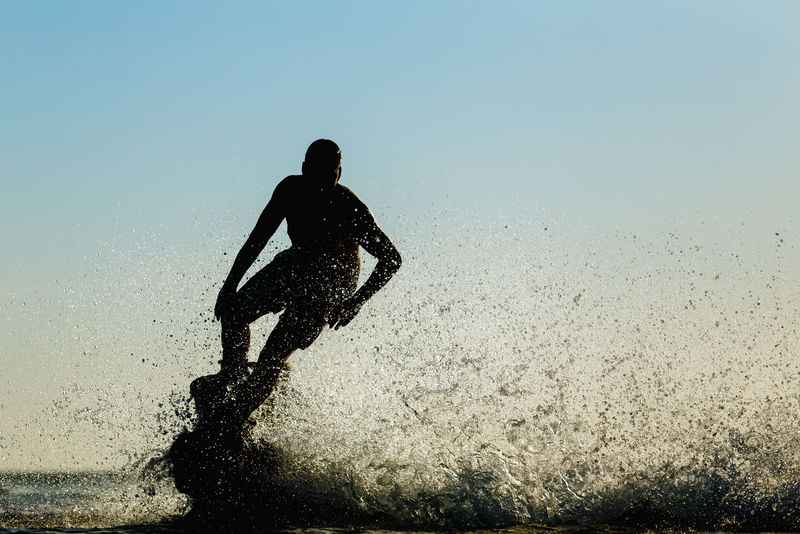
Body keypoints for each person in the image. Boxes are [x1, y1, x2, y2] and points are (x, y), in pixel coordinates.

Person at [207, 139, 402, 430]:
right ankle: (232, 377)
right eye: (316, 173)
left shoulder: (350, 209)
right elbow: (257, 240)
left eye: (330, 174)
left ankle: (237, 417)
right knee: (233, 312)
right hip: (296, 265)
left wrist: (356, 302)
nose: (323, 182)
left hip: (333, 284)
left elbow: (391, 259)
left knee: (272, 354)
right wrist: (229, 286)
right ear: (303, 169)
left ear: (339, 173)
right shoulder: (290, 191)